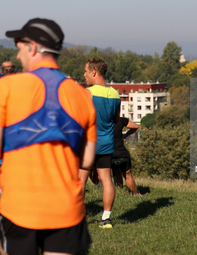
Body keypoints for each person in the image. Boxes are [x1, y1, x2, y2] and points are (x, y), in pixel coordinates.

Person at [0, 18, 97, 255]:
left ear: (32, 47)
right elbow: (86, 160)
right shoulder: (82, 96)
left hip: (18, 207)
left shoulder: (7, 87)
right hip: (67, 208)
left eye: (18, 44)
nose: (18, 52)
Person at [79, 58, 121, 229]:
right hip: (106, 142)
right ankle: (106, 218)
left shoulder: (87, 93)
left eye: (86, 71)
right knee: (106, 179)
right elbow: (117, 119)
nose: (84, 75)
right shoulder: (116, 94)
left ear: (94, 72)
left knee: (80, 180)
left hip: (88, 144)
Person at [111, 117, 143, 196]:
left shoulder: (101, 121)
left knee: (116, 172)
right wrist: (125, 135)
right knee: (128, 176)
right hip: (121, 153)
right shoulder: (120, 120)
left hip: (108, 153)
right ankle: (136, 194)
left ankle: (120, 191)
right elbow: (136, 126)